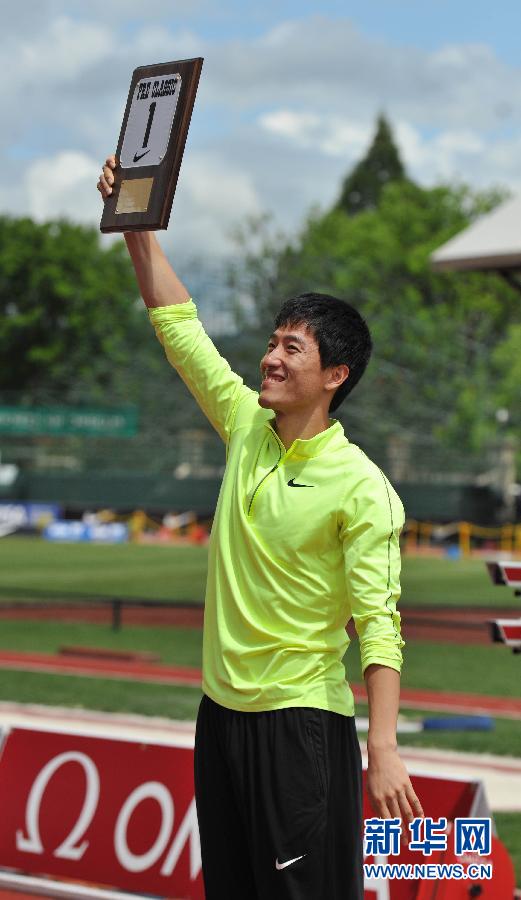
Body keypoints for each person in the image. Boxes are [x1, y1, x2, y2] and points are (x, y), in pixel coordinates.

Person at [98, 156, 424, 900]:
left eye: (291, 348)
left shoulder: (362, 488)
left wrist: (382, 746)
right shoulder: (247, 425)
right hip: (219, 716)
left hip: (300, 725)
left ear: (335, 375)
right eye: (273, 342)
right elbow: (180, 331)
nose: (269, 359)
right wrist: (136, 223)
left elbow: (379, 625)